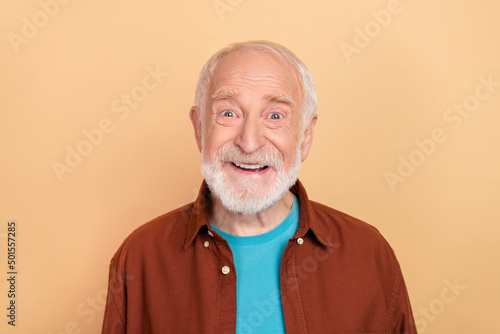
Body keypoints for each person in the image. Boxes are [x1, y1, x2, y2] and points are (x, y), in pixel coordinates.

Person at [101, 40, 417, 334]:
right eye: (228, 113)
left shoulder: (369, 255)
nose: (249, 142)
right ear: (199, 129)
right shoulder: (140, 258)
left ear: (305, 136)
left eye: (275, 116)